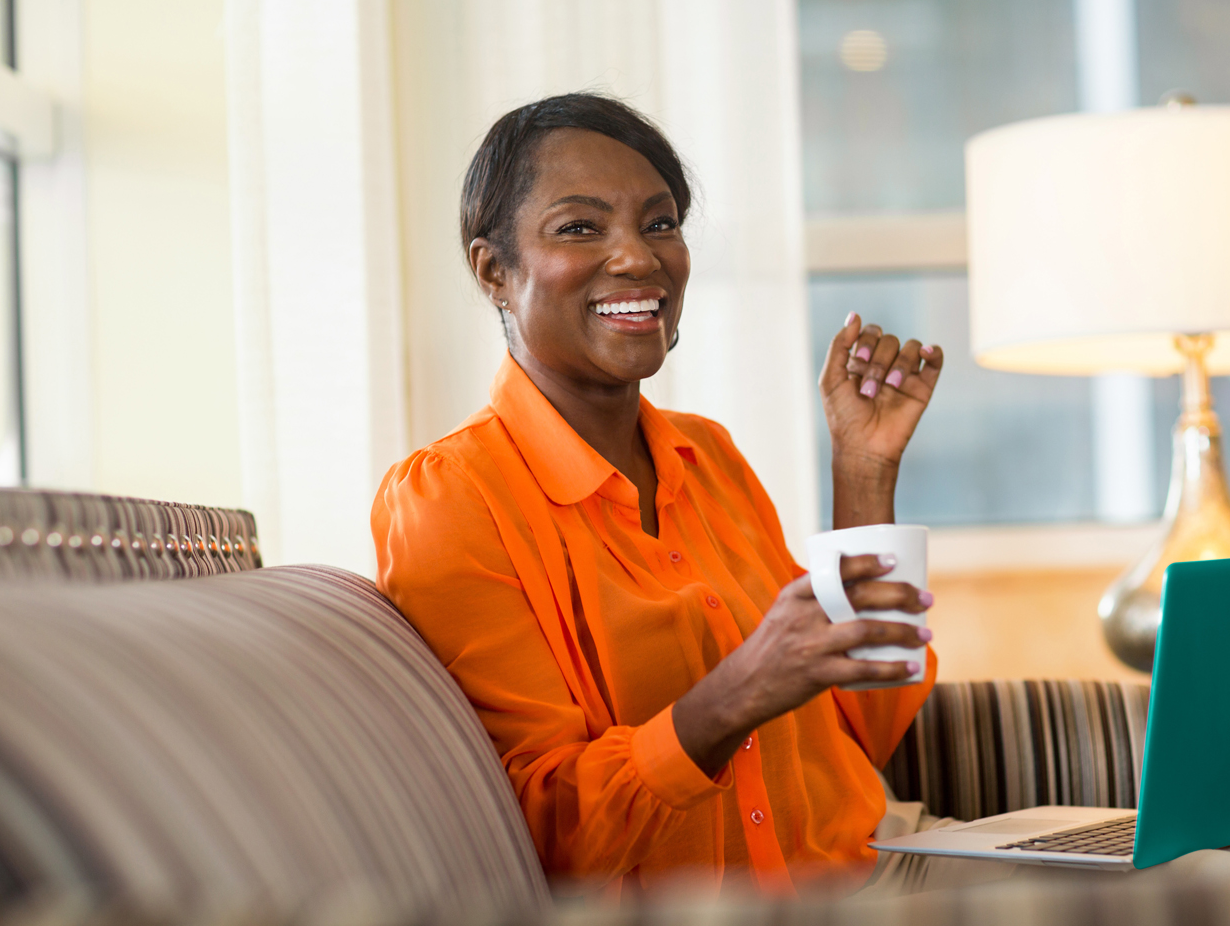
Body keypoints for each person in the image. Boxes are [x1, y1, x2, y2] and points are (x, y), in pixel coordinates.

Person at [371, 93, 942, 899]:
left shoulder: (706, 455)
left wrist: (863, 468)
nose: (638, 258)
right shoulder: (452, 498)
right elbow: (543, 835)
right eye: (579, 227)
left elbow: (864, 726)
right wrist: (736, 693)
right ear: (493, 270)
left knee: (1180, 872)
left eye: (660, 222)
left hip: (883, 869)